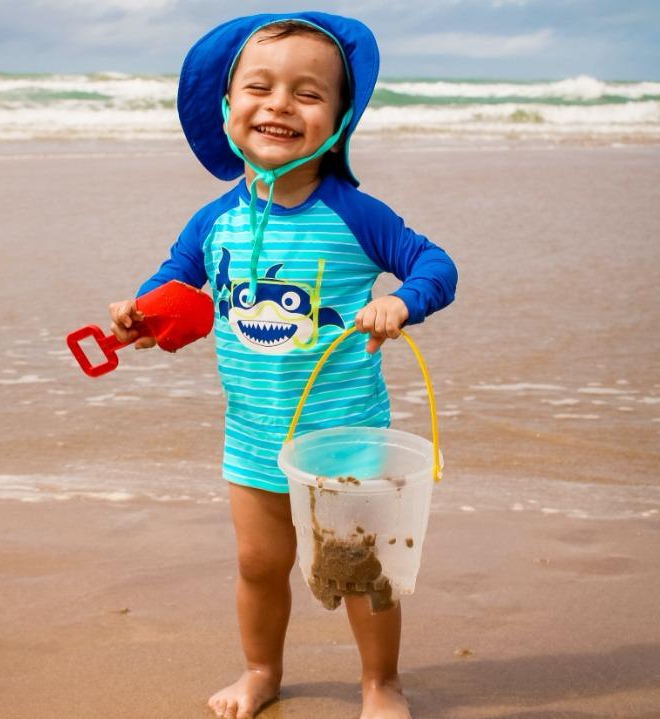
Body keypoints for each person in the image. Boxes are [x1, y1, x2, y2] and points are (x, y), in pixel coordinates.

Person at [109, 12, 457, 719]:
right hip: (252, 434)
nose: (278, 104)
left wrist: (402, 301)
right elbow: (177, 280)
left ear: (339, 117)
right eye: (259, 87)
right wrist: (142, 312)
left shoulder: (355, 214)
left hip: (347, 433)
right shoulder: (213, 221)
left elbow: (436, 264)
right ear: (226, 108)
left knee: (361, 572)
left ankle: (379, 683)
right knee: (259, 565)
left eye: (307, 93)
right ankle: (261, 669)